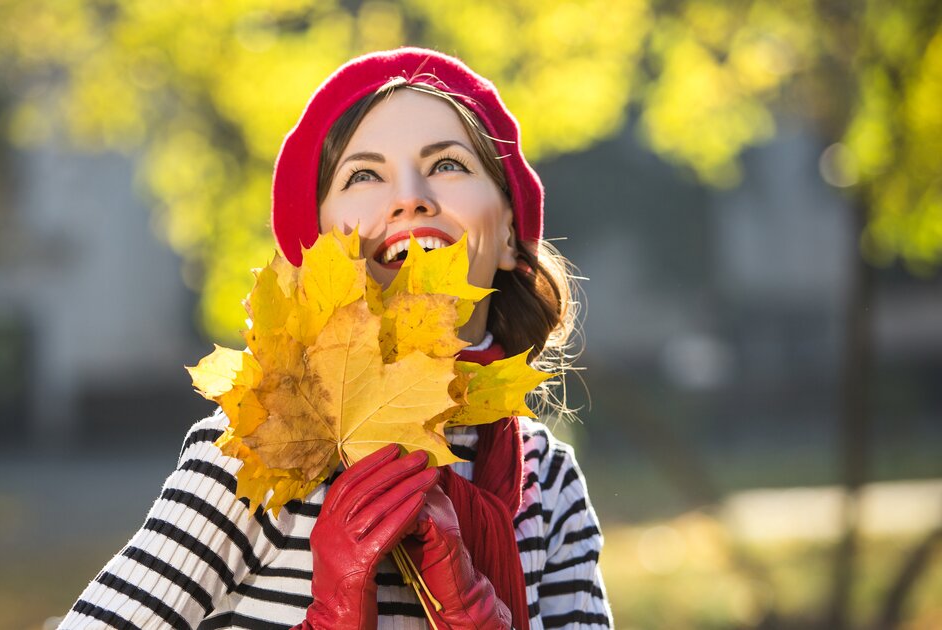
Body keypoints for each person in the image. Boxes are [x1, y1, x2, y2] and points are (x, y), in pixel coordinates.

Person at [59, 47, 612, 630]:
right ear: (320, 248)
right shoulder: (262, 442)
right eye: (364, 175)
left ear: (507, 235)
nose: (410, 196)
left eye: (448, 164)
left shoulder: (548, 483)